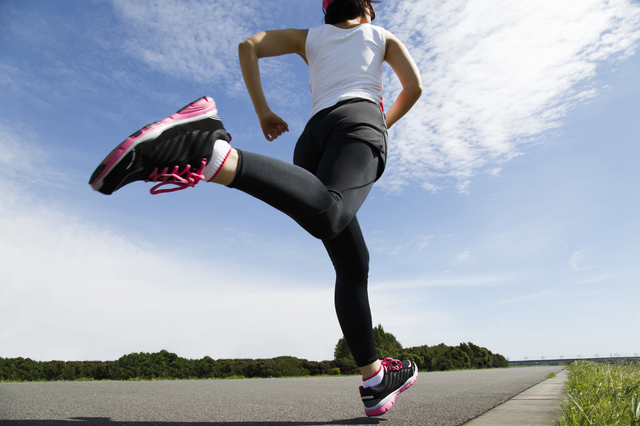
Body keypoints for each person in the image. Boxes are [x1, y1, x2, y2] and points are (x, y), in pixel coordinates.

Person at [89, 0, 422, 417]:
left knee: (353, 263)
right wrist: (380, 123)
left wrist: (263, 111)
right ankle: (212, 154)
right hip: (358, 119)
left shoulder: (311, 38)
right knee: (334, 214)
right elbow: (413, 87)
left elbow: (249, 45)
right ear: (368, 6)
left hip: (313, 141)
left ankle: (375, 378)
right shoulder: (381, 36)